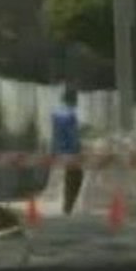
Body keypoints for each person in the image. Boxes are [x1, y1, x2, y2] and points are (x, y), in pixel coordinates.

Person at [51, 87, 83, 215]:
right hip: (70, 151)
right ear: (73, 99)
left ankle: (67, 205)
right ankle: (69, 206)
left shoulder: (56, 112)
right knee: (75, 177)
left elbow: (55, 133)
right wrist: (78, 149)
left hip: (60, 150)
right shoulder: (70, 114)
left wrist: (55, 149)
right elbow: (72, 135)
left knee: (69, 177)